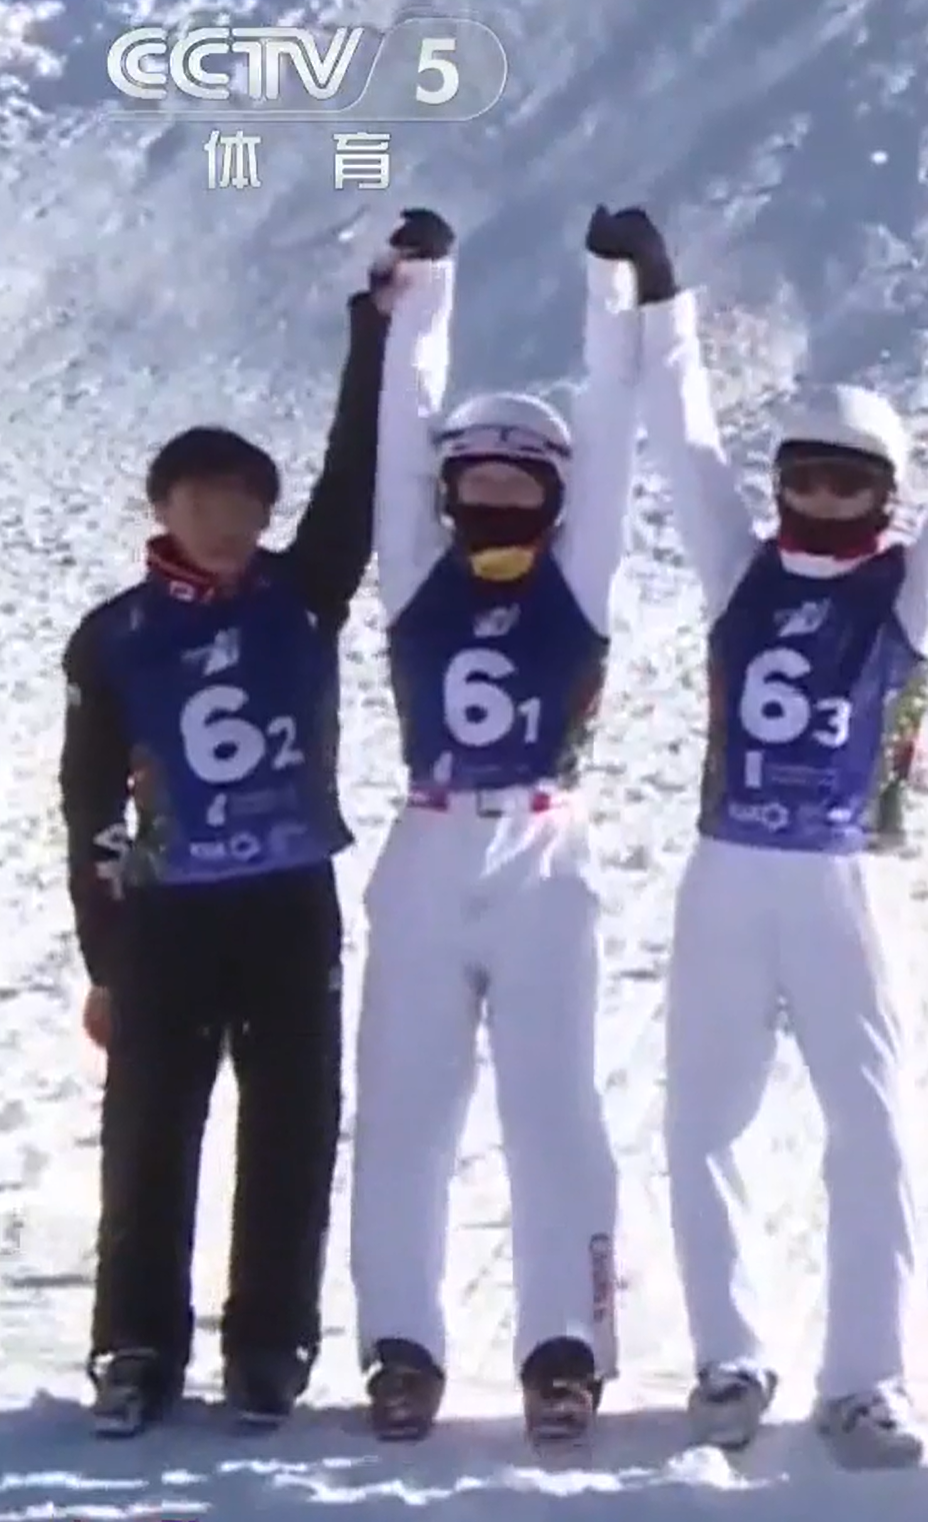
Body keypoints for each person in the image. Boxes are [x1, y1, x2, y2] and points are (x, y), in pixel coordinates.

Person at [644, 209, 928, 1467]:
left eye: (849, 480)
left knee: (874, 1125)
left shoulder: (912, 586)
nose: (822, 496)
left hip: (848, 876)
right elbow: (681, 436)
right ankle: (728, 1354)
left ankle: (865, 1376)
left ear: (884, 492)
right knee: (706, 1118)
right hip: (727, 869)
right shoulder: (735, 564)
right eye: (805, 474)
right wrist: (664, 303)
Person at [61, 215, 397, 1436]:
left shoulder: (302, 598)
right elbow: (87, 803)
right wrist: (103, 951)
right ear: (165, 506)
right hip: (163, 912)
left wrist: (376, 335)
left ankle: (269, 1345)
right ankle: (135, 1347)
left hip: (289, 899)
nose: (230, 518)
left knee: (293, 1125)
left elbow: (355, 484)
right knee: (151, 1131)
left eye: (247, 500)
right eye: (206, 499)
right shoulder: (114, 635)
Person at [347, 207, 659, 1444]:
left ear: (553, 498)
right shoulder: (415, 568)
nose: (489, 506)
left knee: (554, 1109)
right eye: (468, 483)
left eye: (515, 486)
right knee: (407, 1111)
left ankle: (564, 1346)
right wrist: (425, 293)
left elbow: (621, 437)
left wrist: (609, 291)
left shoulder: (578, 582)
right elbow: (392, 434)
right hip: (426, 847)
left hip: (543, 851)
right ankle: (402, 1346)